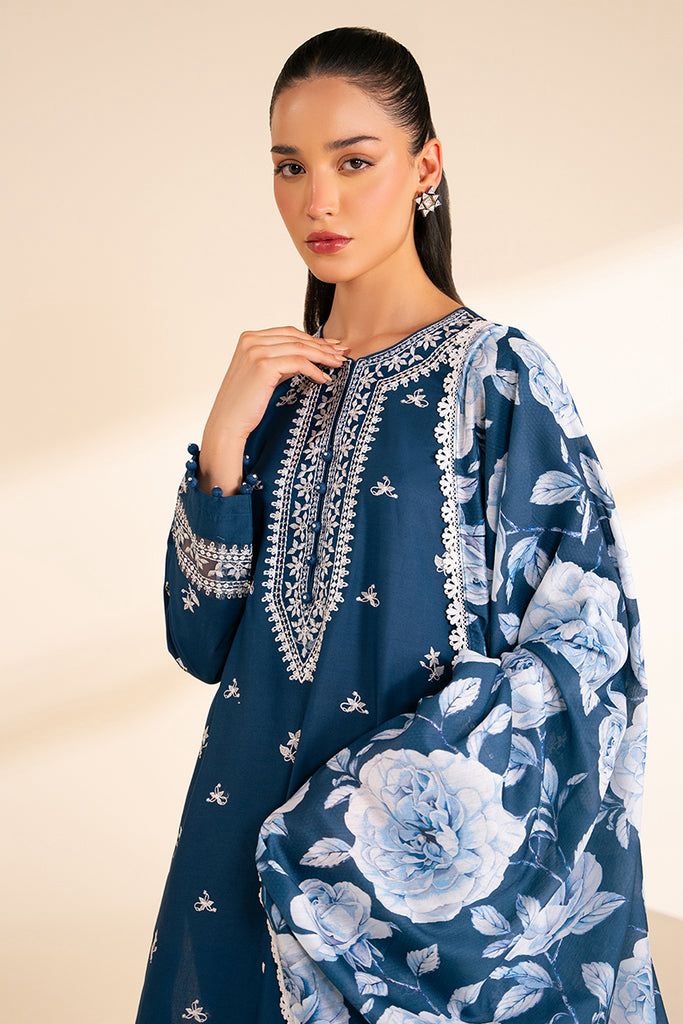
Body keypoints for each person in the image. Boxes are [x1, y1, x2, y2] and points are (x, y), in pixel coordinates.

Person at [134, 25, 669, 1024]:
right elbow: (200, 643)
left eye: (353, 162)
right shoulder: (273, 391)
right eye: (289, 167)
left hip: (398, 887)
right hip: (237, 848)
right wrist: (221, 444)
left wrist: (358, 819)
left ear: (424, 166)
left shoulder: (497, 377)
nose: (317, 201)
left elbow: (589, 647)